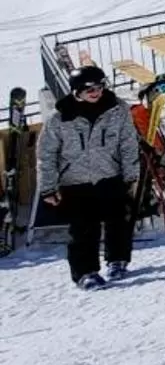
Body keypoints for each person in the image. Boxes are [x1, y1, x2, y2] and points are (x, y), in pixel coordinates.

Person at [36, 66, 141, 289]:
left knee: (119, 220)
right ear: (76, 91)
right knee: (84, 228)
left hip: (110, 174)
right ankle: (86, 273)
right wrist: (48, 187)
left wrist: (131, 174)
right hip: (76, 181)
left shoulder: (117, 109)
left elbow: (128, 142)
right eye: (88, 88)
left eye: (99, 87)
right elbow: (47, 154)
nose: (95, 92)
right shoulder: (61, 118)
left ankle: (117, 260)